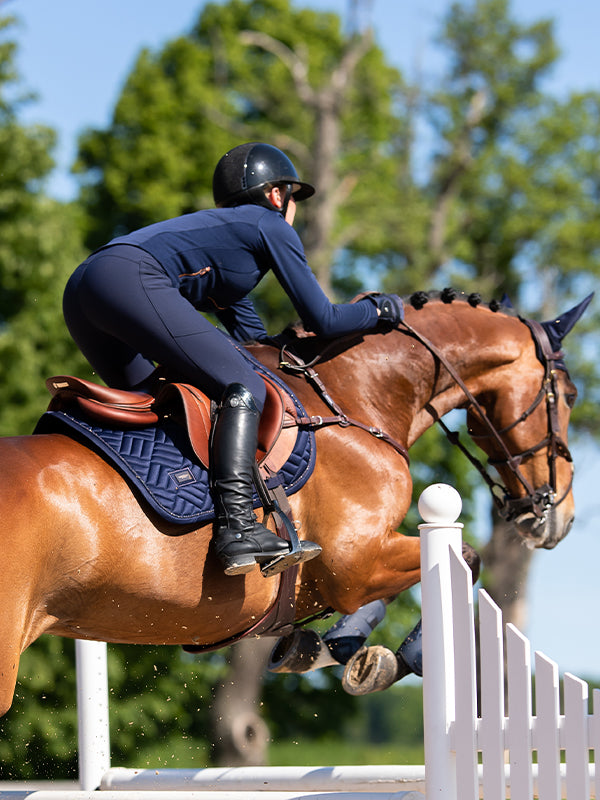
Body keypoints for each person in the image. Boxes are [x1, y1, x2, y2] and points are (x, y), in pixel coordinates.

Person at [63, 142, 403, 577]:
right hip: (126, 278)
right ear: (277, 195)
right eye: (293, 199)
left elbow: (254, 346)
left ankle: (161, 513)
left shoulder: (226, 252)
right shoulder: (269, 224)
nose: (293, 209)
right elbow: (323, 318)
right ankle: (238, 525)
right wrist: (380, 311)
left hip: (84, 289)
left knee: (156, 405)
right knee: (246, 388)